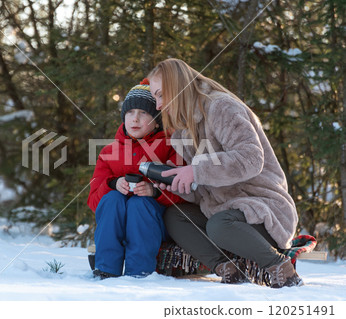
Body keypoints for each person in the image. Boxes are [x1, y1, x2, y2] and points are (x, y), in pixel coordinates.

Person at [148, 58, 302, 288]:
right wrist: (181, 183)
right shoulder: (182, 132)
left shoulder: (221, 107)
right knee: (175, 215)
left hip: (262, 207)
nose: (158, 105)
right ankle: (227, 268)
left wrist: (196, 171)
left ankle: (280, 267)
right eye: (155, 98)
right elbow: (205, 188)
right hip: (222, 210)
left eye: (161, 95)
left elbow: (251, 159)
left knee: (219, 226)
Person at [87, 79, 185, 279]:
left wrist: (154, 191)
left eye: (144, 113)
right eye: (130, 113)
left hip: (154, 223)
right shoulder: (109, 152)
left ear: (157, 119)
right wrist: (113, 184)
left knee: (140, 204)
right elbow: (94, 202)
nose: (135, 119)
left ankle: (139, 271)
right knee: (112, 200)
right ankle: (106, 268)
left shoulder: (171, 146)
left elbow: (184, 193)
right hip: (116, 219)